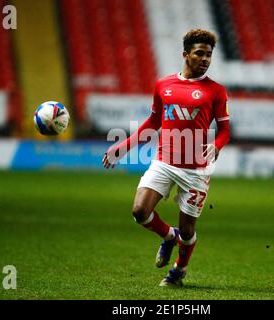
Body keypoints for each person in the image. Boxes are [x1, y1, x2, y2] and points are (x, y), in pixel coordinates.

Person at [102, 29, 230, 286]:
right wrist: (123, 147)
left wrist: (216, 146)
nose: (205, 59)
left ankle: (178, 271)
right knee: (139, 211)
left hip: (196, 170)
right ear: (186, 54)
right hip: (164, 161)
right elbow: (153, 121)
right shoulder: (164, 85)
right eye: (200, 53)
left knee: (188, 231)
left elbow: (225, 130)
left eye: (209, 55)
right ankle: (167, 236)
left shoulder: (216, 91)